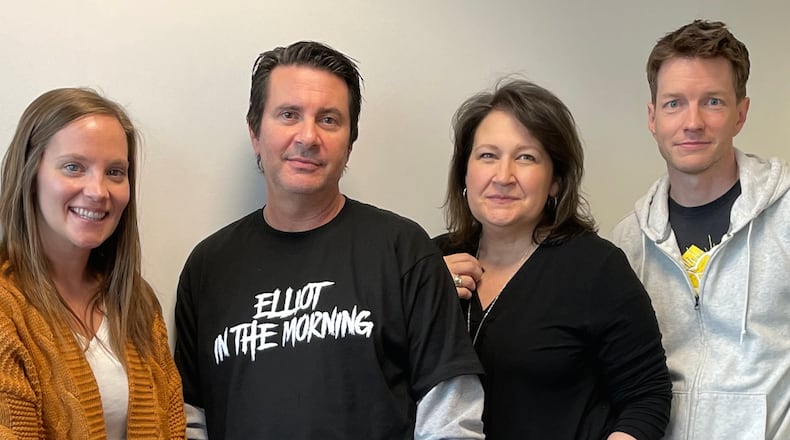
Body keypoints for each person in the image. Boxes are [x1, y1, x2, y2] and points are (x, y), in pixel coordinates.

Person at [173, 41, 485, 439]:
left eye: (329, 120)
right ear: (255, 131)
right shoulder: (208, 266)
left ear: (350, 140)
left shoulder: (402, 249)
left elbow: (451, 416)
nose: (308, 136)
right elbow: (189, 416)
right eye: (288, 115)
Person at [436, 78, 671, 440]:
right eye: (487, 155)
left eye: (526, 157)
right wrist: (426, 295)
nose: (503, 176)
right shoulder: (430, 262)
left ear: (556, 181)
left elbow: (646, 398)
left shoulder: (596, 268)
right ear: (465, 172)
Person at [613, 19, 790, 439]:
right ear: (653, 117)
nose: (692, 122)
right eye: (675, 103)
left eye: (712, 101)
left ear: (740, 114)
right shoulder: (625, 243)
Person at [0, 88, 186, 438]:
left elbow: (173, 428)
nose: (98, 191)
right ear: (30, 173)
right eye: (74, 167)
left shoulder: (136, 302)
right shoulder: (6, 309)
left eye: (115, 172)